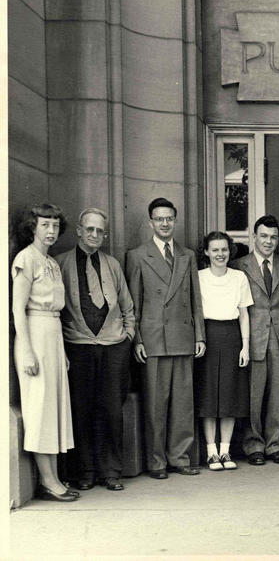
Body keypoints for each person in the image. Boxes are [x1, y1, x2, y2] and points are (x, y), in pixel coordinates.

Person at [125, 198, 205, 479]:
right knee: (155, 406)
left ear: (175, 220)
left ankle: (180, 458)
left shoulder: (188, 255)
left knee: (183, 405)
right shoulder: (137, 255)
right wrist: (137, 340)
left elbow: (196, 299)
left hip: (183, 337)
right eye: (159, 219)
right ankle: (157, 462)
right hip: (154, 340)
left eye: (169, 218)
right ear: (150, 222)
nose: (165, 223)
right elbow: (133, 303)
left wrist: (200, 336)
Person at [56, 208, 135, 491]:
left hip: (114, 347)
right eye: (89, 229)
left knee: (112, 410)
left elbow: (127, 305)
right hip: (79, 347)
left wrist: (127, 337)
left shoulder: (112, 264)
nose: (94, 235)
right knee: (82, 410)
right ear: (78, 230)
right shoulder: (60, 263)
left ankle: (111, 471)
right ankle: (85, 472)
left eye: (100, 231)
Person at [11, 203, 77, 501]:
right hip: (34, 336)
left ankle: (53, 477)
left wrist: (60, 349)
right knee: (39, 409)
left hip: (52, 336)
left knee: (52, 408)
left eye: (54, 225)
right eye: (44, 225)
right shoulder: (27, 259)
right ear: (32, 227)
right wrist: (25, 350)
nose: (51, 231)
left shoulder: (48, 261)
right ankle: (48, 481)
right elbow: (17, 309)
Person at [233, 215, 279, 466]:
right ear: (254, 237)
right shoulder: (238, 266)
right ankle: (254, 445)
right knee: (254, 395)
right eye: (264, 236)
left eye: (273, 237)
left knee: (278, 395)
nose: (268, 241)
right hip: (252, 334)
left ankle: (274, 445)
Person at [196, 231, 253, 471]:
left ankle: (226, 451)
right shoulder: (198, 277)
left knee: (229, 395)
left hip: (231, 336)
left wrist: (245, 346)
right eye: (215, 249)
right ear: (207, 252)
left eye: (224, 249)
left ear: (230, 252)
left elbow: (244, 314)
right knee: (209, 395)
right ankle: (211, 452)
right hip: (208, 335)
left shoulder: (239, 277)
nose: (220, 254)